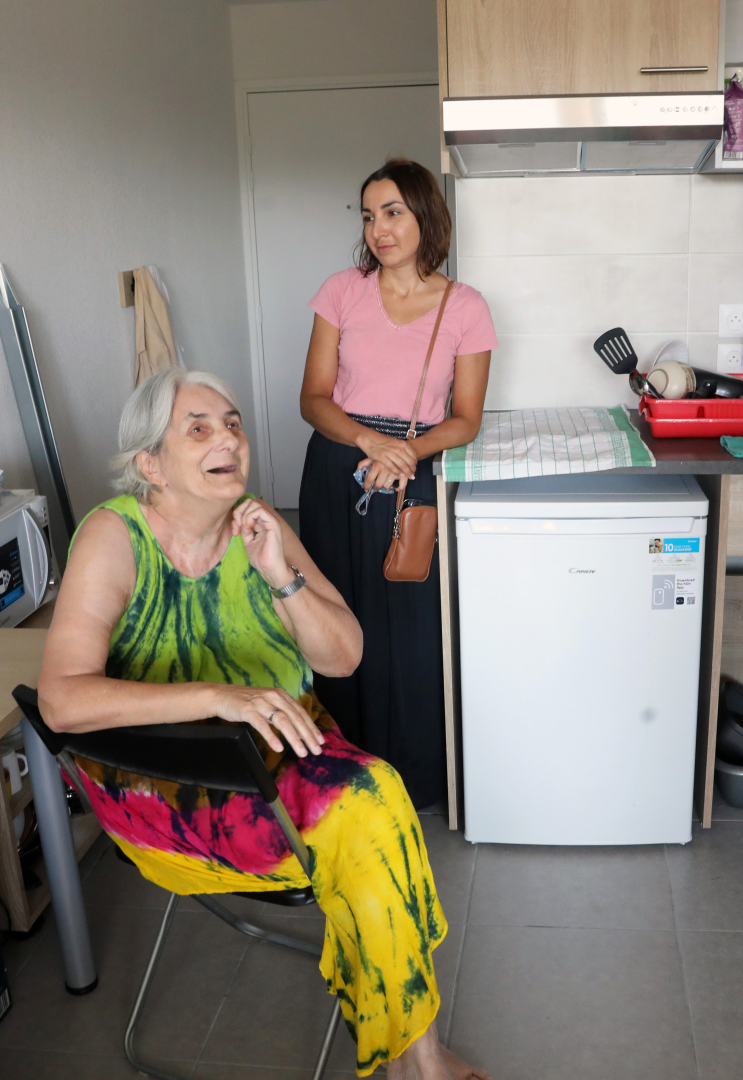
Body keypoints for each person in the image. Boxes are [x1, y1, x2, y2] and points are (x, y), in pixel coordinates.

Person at [37, 367, 489, 1080]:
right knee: (371, 813)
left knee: (371, 805)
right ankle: (417, 1059)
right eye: (199, 428)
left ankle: (411, 1054)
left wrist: (279, 574)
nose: (229, 439)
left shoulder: (259, 523)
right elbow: (61, 701)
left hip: (283, 754)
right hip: (166, 784)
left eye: (234, 423)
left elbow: (344, 657)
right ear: (149, 464)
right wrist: (217, 696)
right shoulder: (113, 538)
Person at [297, 158, 497, 808]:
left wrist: (405, 452)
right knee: (334, 619)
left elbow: (465, 420)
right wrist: (370, 442)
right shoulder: (341, 292)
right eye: (368, 215)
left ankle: (413, 777)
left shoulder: (465, 307)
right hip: (340, 468)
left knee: (412, 629)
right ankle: (340, 778)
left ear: (423, 217)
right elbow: (313, 398)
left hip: (415, 477)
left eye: (392, 212)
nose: (378, 229)